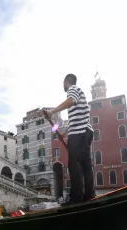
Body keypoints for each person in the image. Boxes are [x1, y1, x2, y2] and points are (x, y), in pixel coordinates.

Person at [44, 74, 95, 205]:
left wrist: (52, 111)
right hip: (84, 132)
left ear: (66, 82)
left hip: (80, 133)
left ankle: (75, 197)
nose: (63, 86)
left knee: (74, 164)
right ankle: (89, 195)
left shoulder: (73, 90)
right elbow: (69, 123)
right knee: (85, 165)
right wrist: (61, 132)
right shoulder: (78, 99)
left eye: (63, 83)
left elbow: (70, 101)